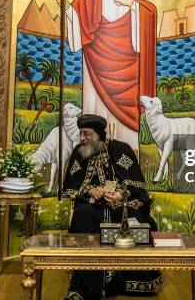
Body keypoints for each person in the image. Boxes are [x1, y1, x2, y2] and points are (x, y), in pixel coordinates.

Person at [55, 0, 157, 150]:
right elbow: (76, 21)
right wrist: (62, 2)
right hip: (95, 64)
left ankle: (127, 158)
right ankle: (91, 159)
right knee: (95, 107)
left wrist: (132, 4)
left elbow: (150, 13)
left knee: (124, 125)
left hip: (126, 70)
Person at [63, 114, 162, 300]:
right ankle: (88, 287)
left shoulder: (121, 150)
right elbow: (72, 184)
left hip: (121, 205)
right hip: (92, 207)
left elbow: (138, 185)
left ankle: (125, 282)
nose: (82, 138)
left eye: (87, 134)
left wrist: (121, 193)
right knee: (83, 215)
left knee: (136, 220)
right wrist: (89, 190)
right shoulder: (79, 152)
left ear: (100, 134)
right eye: (81, 134)